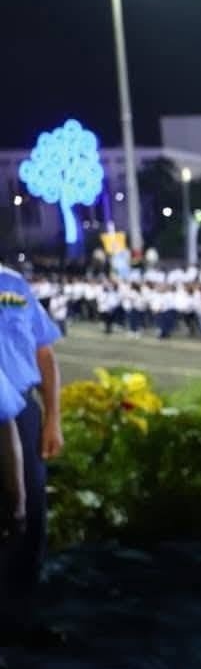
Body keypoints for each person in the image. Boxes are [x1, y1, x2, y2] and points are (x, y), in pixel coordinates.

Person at [0, 261, 63, 648]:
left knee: (29, 521)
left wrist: (52, 418)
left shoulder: (13, 284)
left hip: (21, 412)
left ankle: (19, 620)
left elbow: (44, 354)